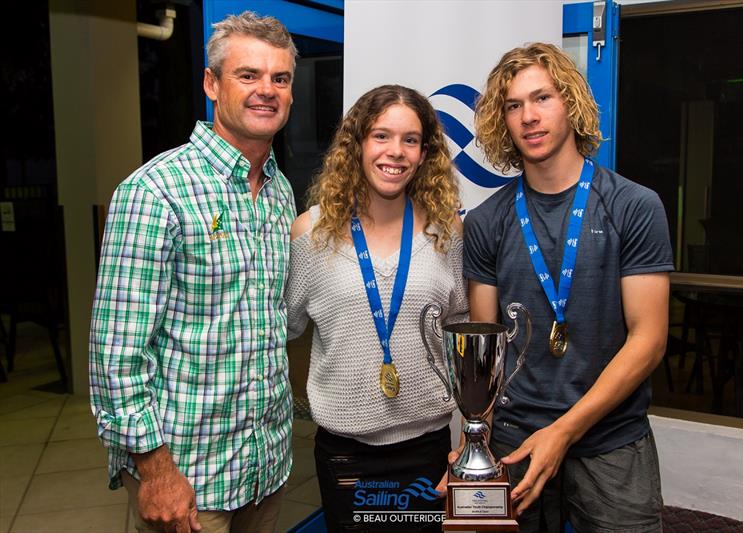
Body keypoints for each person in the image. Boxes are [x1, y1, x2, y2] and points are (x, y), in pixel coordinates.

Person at [89, 12, 297, 533]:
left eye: (281, 78)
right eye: (248, 75)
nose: (266, 91)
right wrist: (156, 472)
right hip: (189, 484)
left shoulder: (280, 192)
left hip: (263, 472)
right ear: (211, 84)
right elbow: (116, 356)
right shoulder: (154, 191)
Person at [463, 42, 673, 532]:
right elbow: (485, 345)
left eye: (542, 99)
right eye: (513, 106)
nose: (528, 117)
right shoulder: (486, 221)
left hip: (610, 439)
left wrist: (563, 431)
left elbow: (649, 340)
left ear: (572, 104)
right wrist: (478, 437)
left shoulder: (633, 207)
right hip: (513, 440)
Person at [286, 85, 467, 532]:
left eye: (410, 140)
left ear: (425, 154)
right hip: (345, 454)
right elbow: (287, 334)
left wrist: (470, 439)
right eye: (381, 136)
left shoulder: (447, 232)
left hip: (427, 449)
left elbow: (461, 336)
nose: (396, 152)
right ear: (358, 145)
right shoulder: (311, 233)